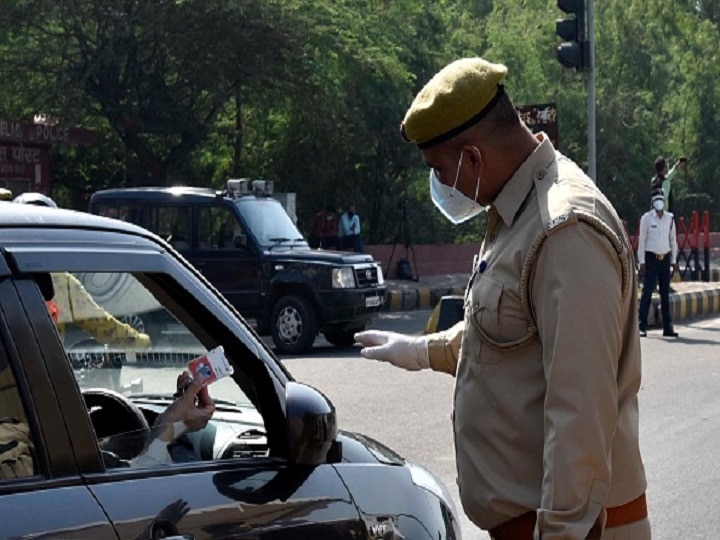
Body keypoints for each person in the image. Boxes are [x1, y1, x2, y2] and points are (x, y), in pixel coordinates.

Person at [355, 57, 648, 539]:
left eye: (439, 169)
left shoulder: (564, 231)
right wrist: (421, 351)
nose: (441, 185)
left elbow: (580, 420)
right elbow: (508, 334)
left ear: (472, 158)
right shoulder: (520, 211)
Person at [637, 190, 679, 338]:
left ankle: (668, 327)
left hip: (665, 259)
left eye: (661, 199)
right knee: (647, 292)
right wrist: (641, 262)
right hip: (651, 259)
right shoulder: (646, 219)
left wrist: (673, 262)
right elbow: (641, 242)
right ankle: (641, 326)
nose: (659, 202)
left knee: (665, 294)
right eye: (656, 199)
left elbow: (673, 241)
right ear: (652, 202)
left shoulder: (670, 219)